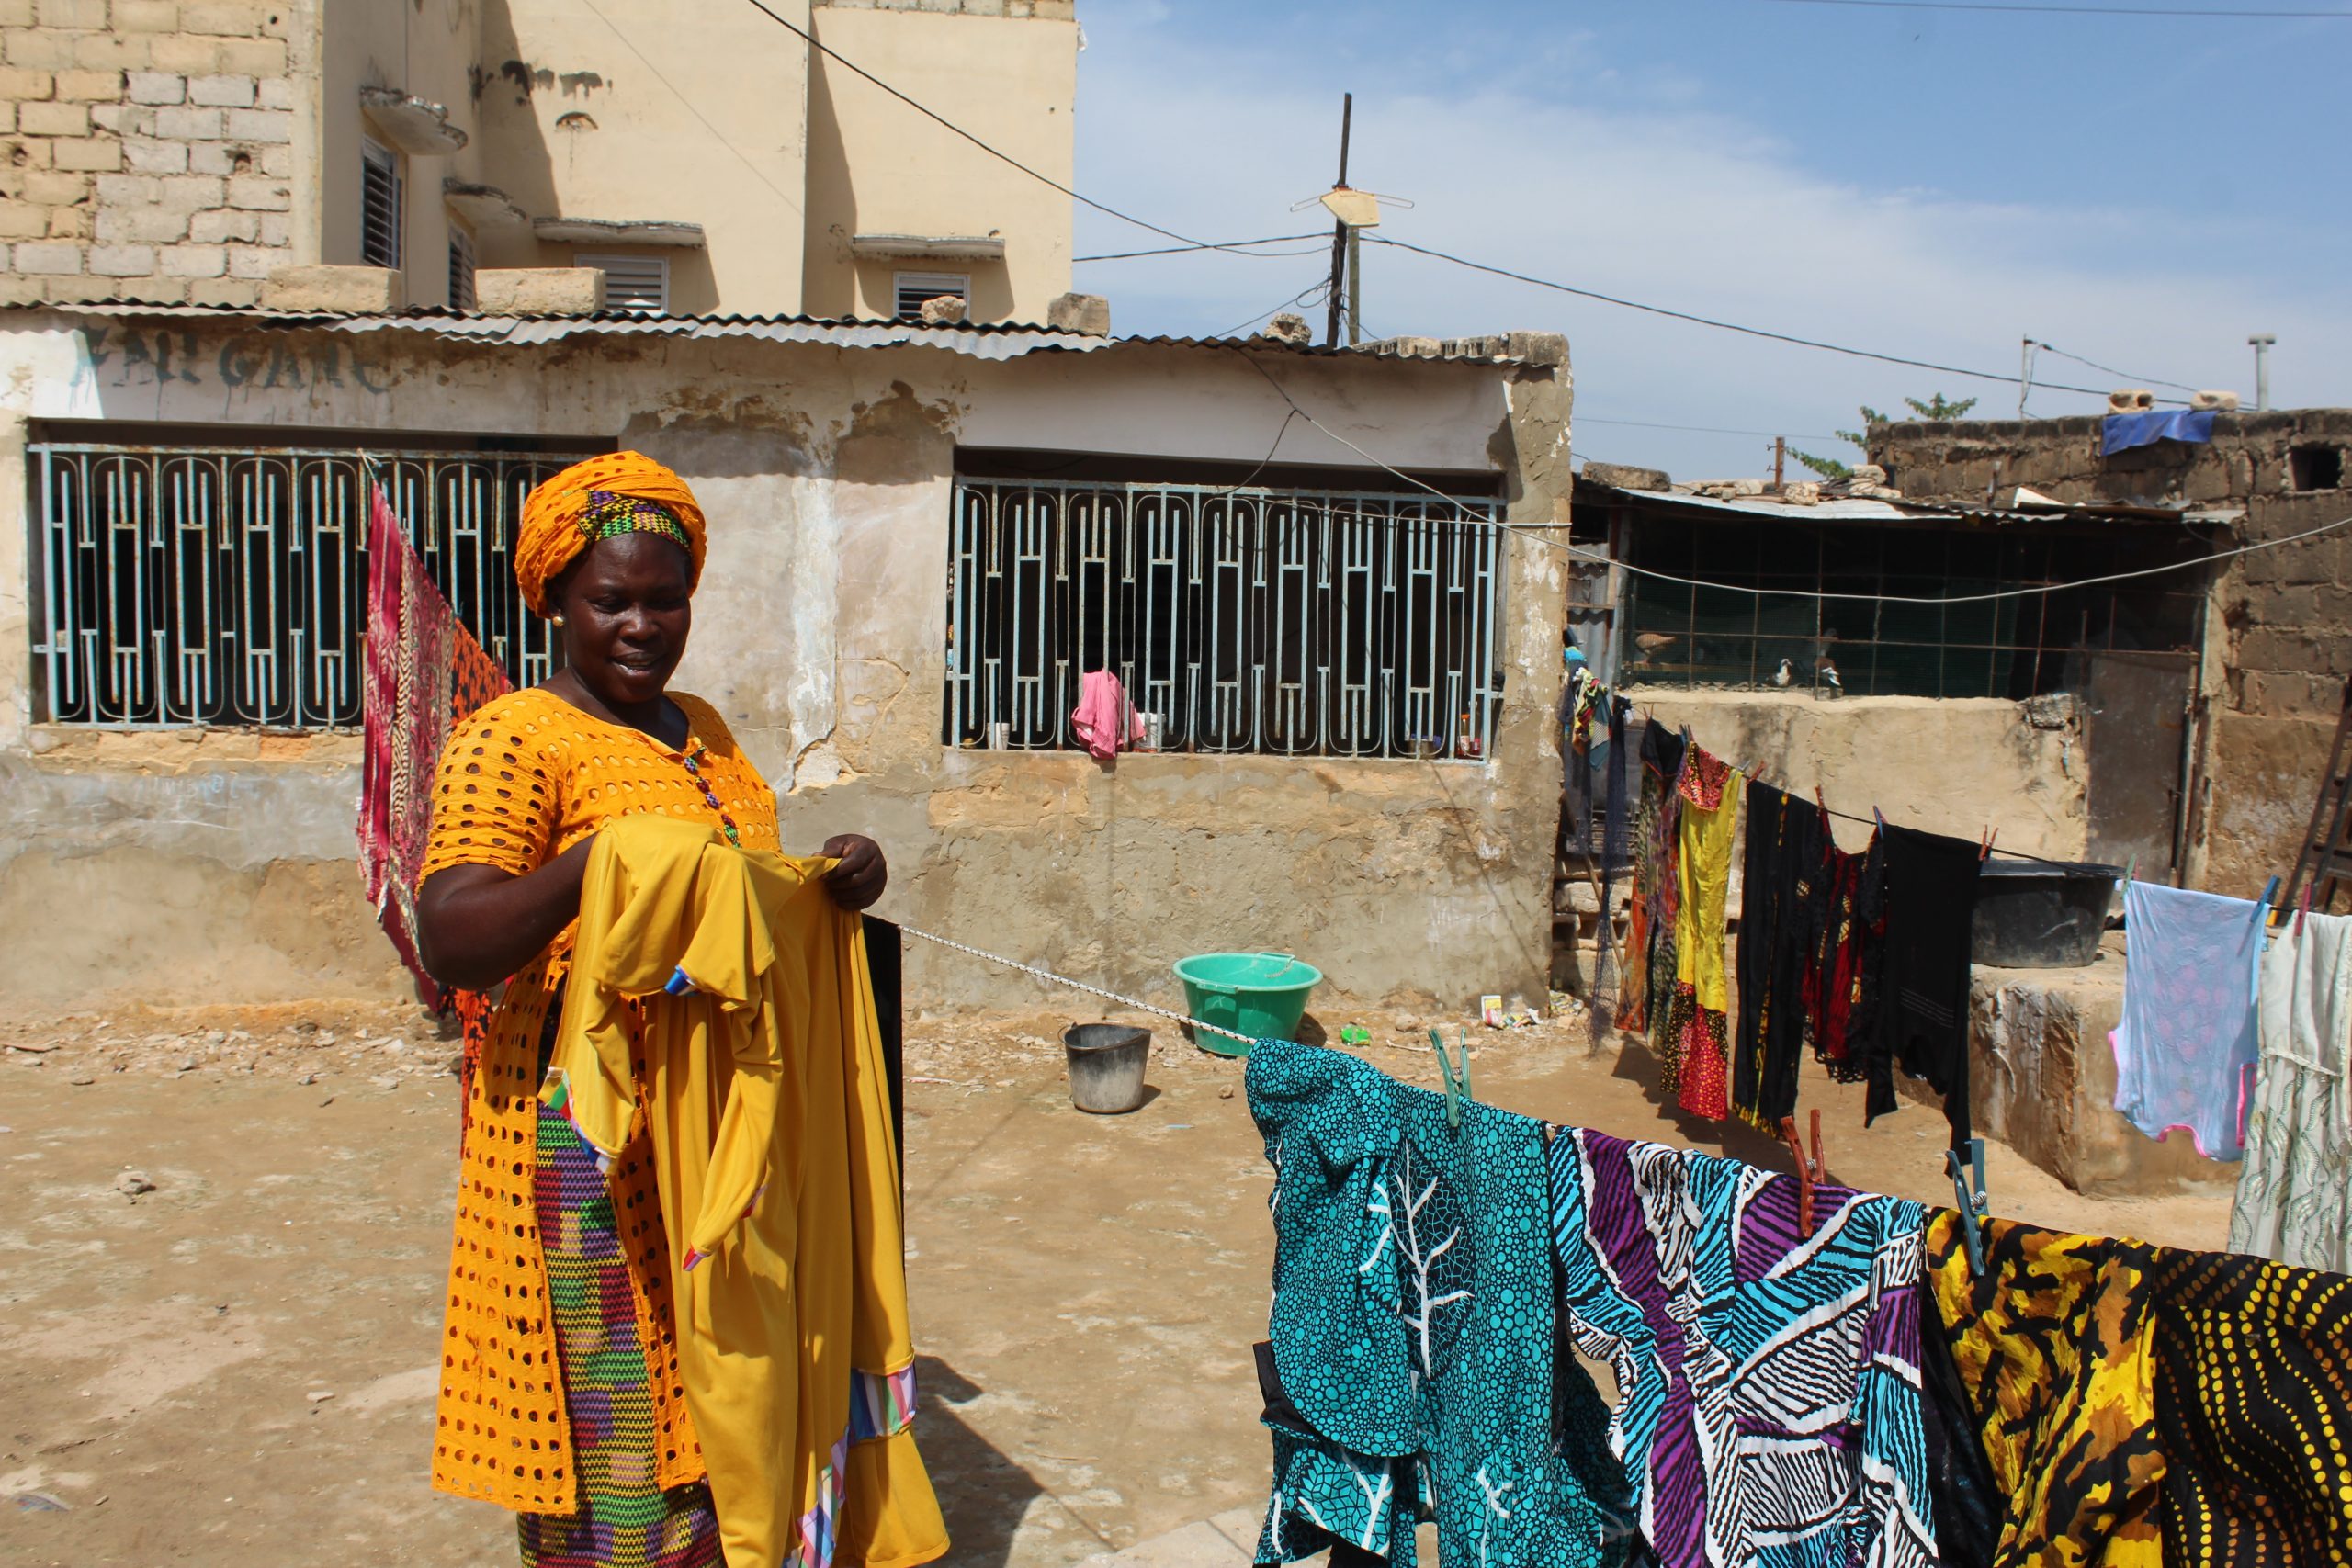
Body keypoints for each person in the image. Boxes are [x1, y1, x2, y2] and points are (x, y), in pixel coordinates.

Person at [414, 451, 890, 1567]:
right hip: (592, 1143)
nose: (641, 625)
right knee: (619, 1422)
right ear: (554, 601)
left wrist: (839, 878)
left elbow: (735, 903)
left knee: (729, 1381)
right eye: (609, 600)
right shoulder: (518, 739)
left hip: (729, 1127)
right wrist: (597, 864)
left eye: (663, 598)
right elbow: (455, 932)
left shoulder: (708, 734)